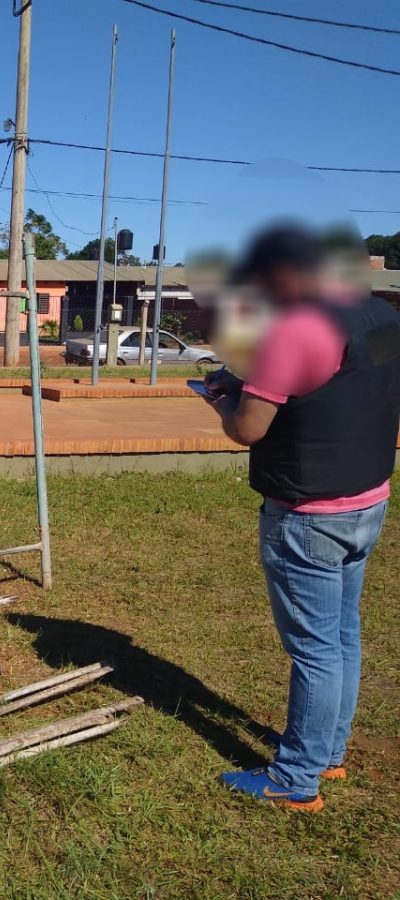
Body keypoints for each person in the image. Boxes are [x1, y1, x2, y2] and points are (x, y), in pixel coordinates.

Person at [204, 224, 400, 812]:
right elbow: (339, 381)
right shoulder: (381, 316)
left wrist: (220, 397)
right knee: (342, 635)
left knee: (315, 649)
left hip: (307, 514)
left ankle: (295, 779)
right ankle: (327, 752)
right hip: (367, 499)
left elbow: (248, 428)